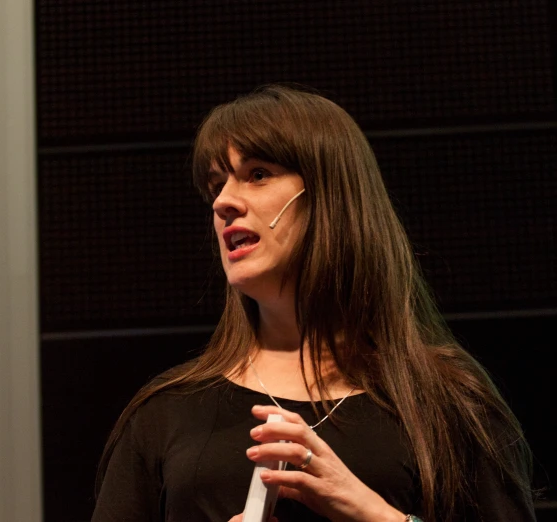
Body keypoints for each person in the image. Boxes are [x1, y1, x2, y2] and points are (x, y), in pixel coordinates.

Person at [91, 84, 535, 522]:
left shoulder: (446, 402)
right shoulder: (165, 413)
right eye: (216, 185)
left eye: (258, 174)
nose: (223, 201)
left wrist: (376, 516)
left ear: (330, 195)